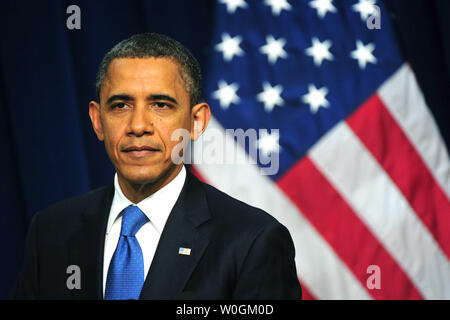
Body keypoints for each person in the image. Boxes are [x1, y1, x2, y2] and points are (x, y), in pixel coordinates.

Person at [12, 33, 302, 300]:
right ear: (98, 120)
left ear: (196, 122)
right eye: (120, 105)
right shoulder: (51, 231)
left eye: (161, 105)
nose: (138, 126)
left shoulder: (253, 241)